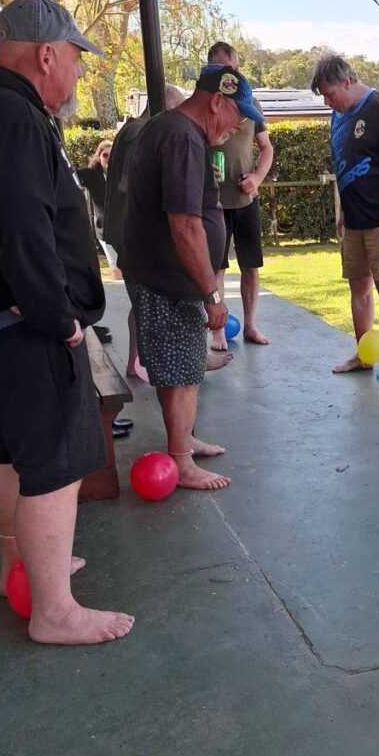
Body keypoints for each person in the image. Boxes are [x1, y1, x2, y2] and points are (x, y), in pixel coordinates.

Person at [0, 0, 135, 645]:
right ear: (46, 55)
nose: (77, 76)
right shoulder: (9, 117)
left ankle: (19, 568)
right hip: (18, 326)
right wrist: (61, 322)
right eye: (75, 59)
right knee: (54, 461)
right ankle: (55, 611)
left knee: (13, 455)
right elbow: (22, 234)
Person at [122, 65, 264, 490]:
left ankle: (183, 442)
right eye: (235, 115)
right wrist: (211, 294)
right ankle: (181, 461)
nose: (236, 125)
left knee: (182, 367)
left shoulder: (170, 128)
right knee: (182, 374)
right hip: (169, 277)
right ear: (216, 101)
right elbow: (185, 224)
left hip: (162, 273)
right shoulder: (183, 138)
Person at [311, 54, 379, 373]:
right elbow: (345, 164)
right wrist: (343, 211)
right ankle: (364, 355)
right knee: (359, 288)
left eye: (330, 94)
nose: (328, 102)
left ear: (347, 81)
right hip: (353, 220)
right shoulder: (339, 116)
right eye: (324, 96)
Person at [104, 84, 189, 377]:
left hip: (125, 230)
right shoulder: (138, 134)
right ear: (164, 108)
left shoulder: (132, 130)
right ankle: (147, 362)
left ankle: (135, 361)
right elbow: (128, 184)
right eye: (178, 111)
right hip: (132, 233)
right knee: (148, 300)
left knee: (140, 300)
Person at [206, 41, 275, 348]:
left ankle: (250, 326)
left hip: (246, 200)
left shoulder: (251, 104)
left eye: (233, 68)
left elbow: (267, 148)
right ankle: (217, 332)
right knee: (216, 267)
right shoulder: (208, 103)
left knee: (251, 265)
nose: (231, 76)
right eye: (224, 70)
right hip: (214, 203)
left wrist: (257, 177)